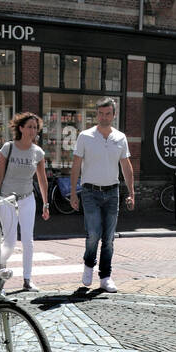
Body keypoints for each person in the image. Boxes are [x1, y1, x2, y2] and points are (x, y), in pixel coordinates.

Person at [69, 98, 134, 293]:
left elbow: (126, 167)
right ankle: (89, 264)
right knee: (93, 234)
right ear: (96, 115)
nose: (104, 117)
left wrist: (131, 192)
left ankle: (105, 276)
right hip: (90, 191)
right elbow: (76, 166)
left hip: (112, 192)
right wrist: (73, 193)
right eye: (100, 113)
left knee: (109, 238)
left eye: (108, 114)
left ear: (114, 115)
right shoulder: (85, 136)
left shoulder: (120, 138)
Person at [0, 112, 50, 291]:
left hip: (27, 199)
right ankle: (0, 277)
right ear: (21, 128)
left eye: (35, 127)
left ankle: (27, 279)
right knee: (9, 241)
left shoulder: (38, 152)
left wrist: (46, 204)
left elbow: (42, 179)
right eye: (29, 127)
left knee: (28, 240)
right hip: (7, 199)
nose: (33, 130)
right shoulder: (8, 148)